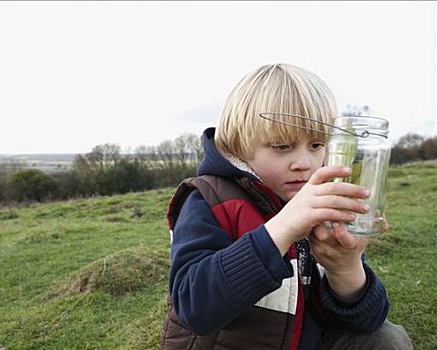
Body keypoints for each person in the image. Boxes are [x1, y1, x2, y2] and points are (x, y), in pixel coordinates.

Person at [160, 63, 412, 349]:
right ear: (239, 145)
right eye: (282, 146)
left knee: (386, 339)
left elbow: (366, 322)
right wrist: (282, 229)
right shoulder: (207, 198)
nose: (304, 163)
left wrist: (346, 268)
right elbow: (194, 308)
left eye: (317, 145)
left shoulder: (320, 201)